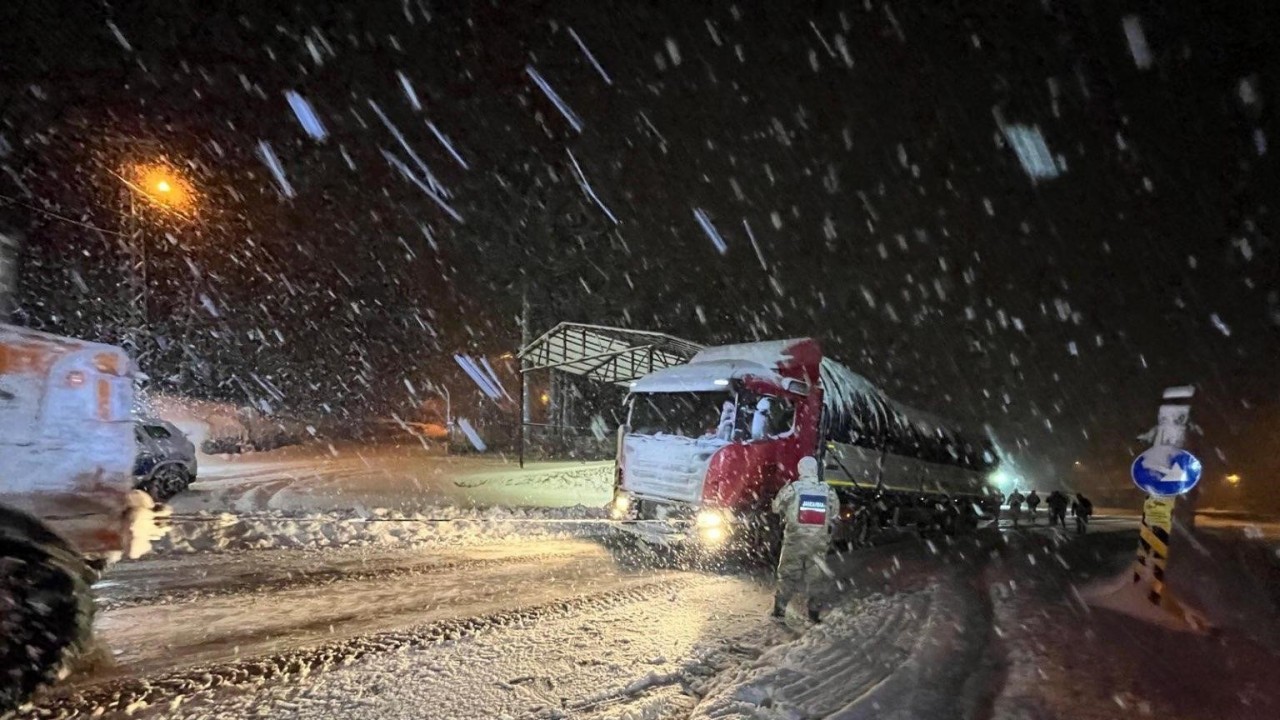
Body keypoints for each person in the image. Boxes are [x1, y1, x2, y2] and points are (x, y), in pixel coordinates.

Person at [771, 456, 840, 622]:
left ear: (800, 469)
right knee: (816, 578)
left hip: (795, 540)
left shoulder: (793, 489)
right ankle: (814, 614)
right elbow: (835, 512)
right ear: (815, 470)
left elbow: (775, 508)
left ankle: (780, 610)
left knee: (788, 575)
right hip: (818, 541)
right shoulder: (827, 490)